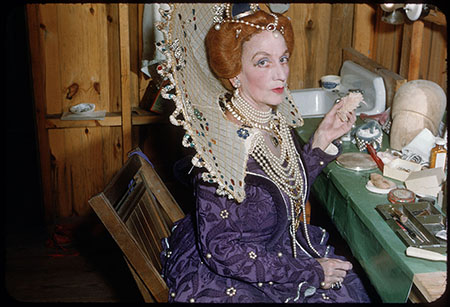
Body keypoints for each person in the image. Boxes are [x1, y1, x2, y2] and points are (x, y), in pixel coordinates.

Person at [157, 3, 371, 303]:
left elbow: (283, 193)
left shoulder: (269, 120)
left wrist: (322, 139)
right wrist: (309, 271)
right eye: (262, 62)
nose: (281, 73)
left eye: (283, 58)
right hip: (234, 275)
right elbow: (223, 253)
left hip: (273, 250)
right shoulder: (221, 148)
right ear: (234, 73)